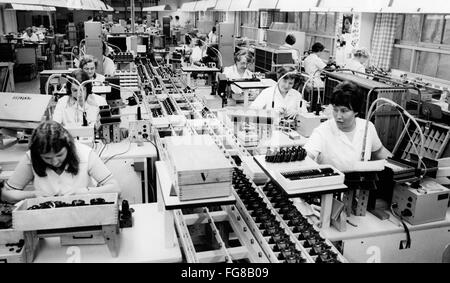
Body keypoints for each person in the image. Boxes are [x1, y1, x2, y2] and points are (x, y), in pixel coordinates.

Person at [1, 121, 120, 203]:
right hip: (47, 220)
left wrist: (83, 193)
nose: (54, 162)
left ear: (68, 147)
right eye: (47, 158)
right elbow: (6, 194)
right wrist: (34, 195)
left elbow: (115, 188)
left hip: (83, 216)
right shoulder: (31, 158)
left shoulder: (85, 153)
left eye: (59, 155)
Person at [304, 81, 391, 172]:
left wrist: (399, 166)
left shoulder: (367, 127)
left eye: (344, 111)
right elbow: (308, 155)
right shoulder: (322, 131)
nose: (338, 116)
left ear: (356, 111)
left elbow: (379, 151)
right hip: (334, 183)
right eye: (335, 110)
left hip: (361, 183)